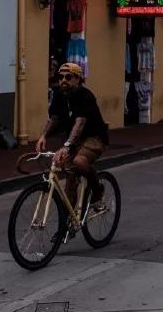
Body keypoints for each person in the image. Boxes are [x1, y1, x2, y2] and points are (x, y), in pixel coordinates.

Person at [37, 62, 110, 212]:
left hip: (93, 137)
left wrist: (66, 145)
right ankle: (68, 222)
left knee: (79, 161)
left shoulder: (86, 95)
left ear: (78, 79)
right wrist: (43, 136)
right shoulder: (58, 95)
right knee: (69, 177)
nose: (63, 80)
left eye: (68, 77)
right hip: (73, 140)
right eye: (60, 77)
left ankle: (97, 190)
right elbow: (54, 118)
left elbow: (80, 122)